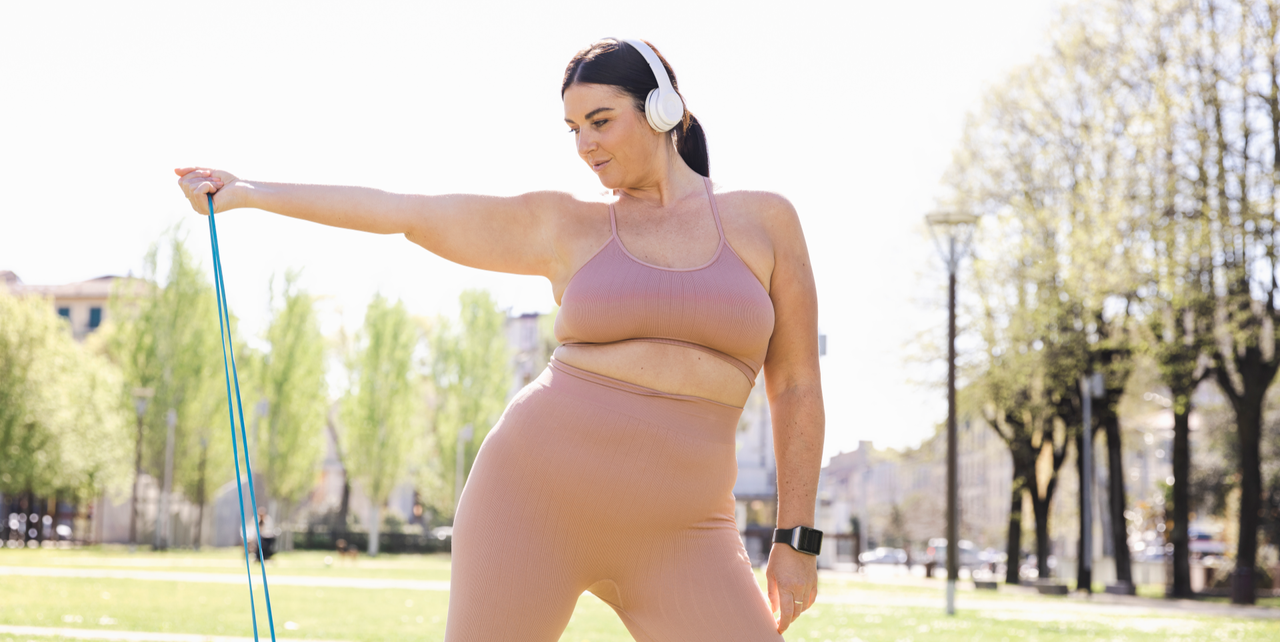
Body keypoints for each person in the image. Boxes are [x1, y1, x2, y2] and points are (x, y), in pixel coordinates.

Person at [175, 37, 825, 641]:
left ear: (664, 109)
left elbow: (795, 387)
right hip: (531, 499)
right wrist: (250, 194)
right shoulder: (565, 226)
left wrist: (795, 538)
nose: (585, 145)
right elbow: (409, 212)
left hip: (685, 532)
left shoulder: (763, 222)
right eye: (573, 130)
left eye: (600, 121)